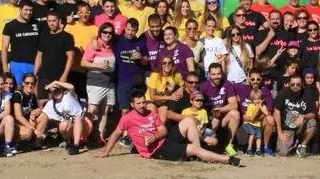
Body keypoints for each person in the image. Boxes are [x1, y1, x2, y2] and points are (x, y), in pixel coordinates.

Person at [95, 91, 240, 165]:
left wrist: (156, 136)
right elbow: (115, 134)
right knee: (194, 148)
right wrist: (105, 152)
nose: (142, 106)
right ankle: (227, 159)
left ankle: (198, 152)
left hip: (163, 140)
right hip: (157, 150)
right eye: (138, 103)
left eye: (143, 102)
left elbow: (163, 130)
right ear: (132, 105)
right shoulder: (127, 119)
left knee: (189, 120)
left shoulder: (151, 113)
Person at [81, 22, 118, 133]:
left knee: (105, 110)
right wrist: (98, 65)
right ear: (100, 33)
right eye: (104, 32)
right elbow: (83, 63)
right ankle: (84, 134)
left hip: (109, 82)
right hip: (95, 81)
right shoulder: (94, 45)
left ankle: (99, 135)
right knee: (92, 110)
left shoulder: (112, 45)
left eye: (110, 33)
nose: (107, 35)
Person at [200, 63, 241, 155]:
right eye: (213, 74)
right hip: (207, 118)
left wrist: (219, 110)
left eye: (219, 74)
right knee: (214, 121)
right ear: (209, 75)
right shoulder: (203, 86)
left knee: (235, 113)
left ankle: (229, 145)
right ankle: (210, 145)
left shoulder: (227, 84)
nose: (216, 77)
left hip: (221, 117)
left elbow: (234, 104)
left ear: (222, 74)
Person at [273, 74, 319, 158]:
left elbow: (314, 113)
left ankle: (302, 145)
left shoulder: (307, 93)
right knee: (283, 153)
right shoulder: (283, 92)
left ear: (302, 84)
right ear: (289, 84)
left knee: (312, 122)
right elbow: (276, 111)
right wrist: (280, 132)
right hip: (287, 127)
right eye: (292, 84)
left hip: (301, 125)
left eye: (298, 84)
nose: (295, 86)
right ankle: (293, 144)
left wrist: (303, 116)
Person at [34, 10, 75, 103]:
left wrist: (65, 75)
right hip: (43, 76)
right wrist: (35, 74)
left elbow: (71, 57)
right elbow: (39, 56)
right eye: (49, 21)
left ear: (59, 21)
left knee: (58, 103)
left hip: (59, 76)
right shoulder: (43, 35)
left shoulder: (67, 37)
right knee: (42, 104)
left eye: (54, 21)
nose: (51, 23)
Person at [42, 80, 90, 155]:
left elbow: (71, 87)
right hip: (72, 130)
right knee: (63, 124)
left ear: (62, 89)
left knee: (77, 118)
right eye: (53, 91)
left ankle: (76, 146)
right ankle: (69, 142)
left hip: (84, 127)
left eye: (58, 90)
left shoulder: (69, 95)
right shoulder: (51, 104)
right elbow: (43, 116)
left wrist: (55, 82)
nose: (56, 93)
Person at [1, 0, 40, 87]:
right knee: (17, 90)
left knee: (33, 91)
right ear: (20, 9)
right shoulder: (10, 26)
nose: (28, 12)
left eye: (31, 10)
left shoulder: (37, 24)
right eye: (26, 10)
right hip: (17, 65)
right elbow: (4, 49)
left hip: (34, 64)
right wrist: (5, 69)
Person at [115, 18, 149, 115]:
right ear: (125, 28)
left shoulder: (141, 43)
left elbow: (145, 62)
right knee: (125, 110)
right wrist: (94, 40)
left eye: (133, 30)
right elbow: (103, 36)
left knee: (138, 109)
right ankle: (125, 130)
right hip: (123, 81)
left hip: (136, 81)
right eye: (128, 29)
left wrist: (141, 58)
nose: (130, 33)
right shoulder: (118, 40)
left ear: (137, 30)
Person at [65, 2, 98, 97]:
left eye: (87, 12)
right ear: (77, 13)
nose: (84, 15)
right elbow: (63, 44)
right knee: (70, 97)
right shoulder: (70, 26)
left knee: (84, 97)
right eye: (81, 12)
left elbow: (95, 48)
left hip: (87, 70)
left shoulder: (94, 29)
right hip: (72, 68)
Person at [11, 73, 48, 147]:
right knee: (28, 132)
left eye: (32, 83)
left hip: (25, 122)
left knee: (44, 116)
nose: (30, 85)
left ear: (35, 84)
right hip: (14, 123)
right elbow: (18, 116)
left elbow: (36, 109)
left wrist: (38, 110)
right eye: (27, 83)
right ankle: (12, 143)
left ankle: (36, 143)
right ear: (22, 83)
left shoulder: (32, 96)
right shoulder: (18, 94)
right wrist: (34, 129)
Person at [146, 55, 184, 120]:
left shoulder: (176, 75)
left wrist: (181, 89)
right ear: (161, 64)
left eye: (169, 62)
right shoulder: (155, 75)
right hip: (151, 100)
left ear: (172, 64)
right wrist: (170, 97)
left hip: (164, 102)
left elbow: (183, 84)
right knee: (152, 119)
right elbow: (152, 96)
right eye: (164, 63)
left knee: (162, 121)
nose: (167, 65)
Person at [242, 88, 268, 156]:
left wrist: (261, 107)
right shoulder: (251, 106)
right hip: (249, 124)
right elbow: (251, 118)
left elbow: (267, 114)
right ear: (252, 100)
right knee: (252, 134)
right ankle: (249, 149)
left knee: (259, 136)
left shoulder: (262, 106)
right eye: (256, 99)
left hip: (257, 124)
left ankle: (258, 150)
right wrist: (257, 109)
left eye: (259, 99)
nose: (258, 101)